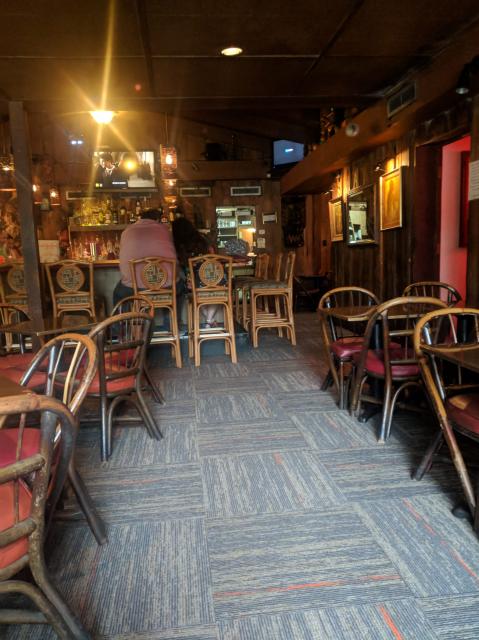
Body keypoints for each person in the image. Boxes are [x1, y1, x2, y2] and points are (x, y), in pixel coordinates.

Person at [113, 208, 178, 305]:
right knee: (180, 288)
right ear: (157, 219)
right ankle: (172, 314)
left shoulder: (127, 231)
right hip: (166, 287)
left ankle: (128, 314)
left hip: (134, 289)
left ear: (140, 218)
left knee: (118, 293)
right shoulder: (165, 230)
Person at [172, 217, 219, 327]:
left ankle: (209, 320)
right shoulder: (203, 239)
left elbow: (178, 265)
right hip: (212, 280)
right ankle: (209, 320)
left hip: (192, 284)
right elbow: (213, 256)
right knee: (220, 291)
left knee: (193, 292)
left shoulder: (178, 245)